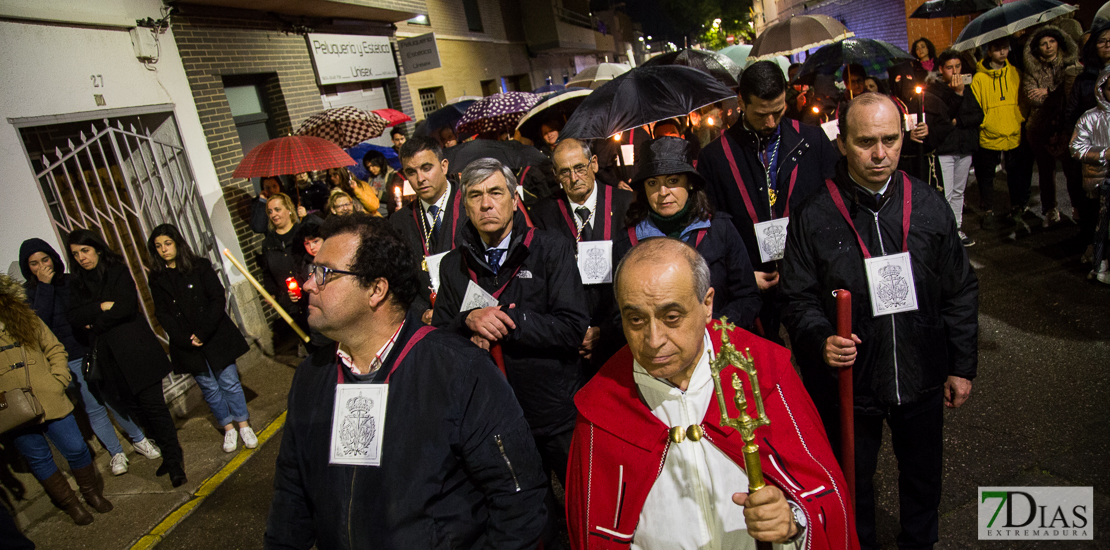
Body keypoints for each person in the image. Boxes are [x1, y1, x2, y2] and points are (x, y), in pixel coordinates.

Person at [264, 212, 547, 548]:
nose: (309, 284)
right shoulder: (311, 378)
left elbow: (519, 501)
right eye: (312, 271)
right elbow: (291, 498)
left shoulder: (460, 371)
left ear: (376, 289)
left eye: (325, 273)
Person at [565, 238, 859, 549]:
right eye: (635, 319)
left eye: (671, 317)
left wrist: (792, 523)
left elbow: (823, 498)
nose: (652, 340)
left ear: (707, 304)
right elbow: (593, 530)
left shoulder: (762, 372)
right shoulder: (603, 405)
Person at [781, 93, 979, 550]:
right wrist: (820, 338)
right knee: (854, 481)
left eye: (890, 140)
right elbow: (798, 297)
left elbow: (959, 289)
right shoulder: (815, 213)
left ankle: (919, 543)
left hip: (922, 372)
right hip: (852, 384)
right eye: (866, 141)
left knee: (923, 477)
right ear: (843, 143)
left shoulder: (927, 204)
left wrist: (961, 365)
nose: (879, 153)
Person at [431, 158, 588, 546]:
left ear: (514, 199)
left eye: (495, 192)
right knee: (527, 519)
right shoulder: (453, 266)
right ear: (464, 205)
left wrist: (510, 321)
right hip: (493, 417)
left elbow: (573, 328)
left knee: (581, 509)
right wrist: (467, 321)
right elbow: (437, 340)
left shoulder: (550, 249)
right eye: (476, 195)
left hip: (553, 409)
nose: (487, 204)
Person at [697, 60, 839, 341]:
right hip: (752, 284)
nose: (771, 122)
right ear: (741, 102)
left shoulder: (810, 139)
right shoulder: (715, 157)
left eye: (778, 111)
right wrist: (743, 275)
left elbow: (832, 206)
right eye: (762, 114)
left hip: (809, 280)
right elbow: (712, 231)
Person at [19, 238, 158, 476]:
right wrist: (44, 286)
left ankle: (139, 439)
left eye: (45, 259)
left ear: (54, 258)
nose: (41, 266)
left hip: (92, 348)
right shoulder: (29, 293)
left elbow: (88, 309)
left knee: (113, 398)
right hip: (67, 357)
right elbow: (37, 325)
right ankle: (116, 453)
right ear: (27, 267)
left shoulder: (72, 281)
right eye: (34, 263)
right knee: (93, 406)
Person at [66, 229, 187, 487]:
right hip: (111, 362)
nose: (81, 258)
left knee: (155, 409)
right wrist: (100, 307)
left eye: (85, 251)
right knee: (137, 412)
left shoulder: (117, 271)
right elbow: (75, 318)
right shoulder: (76, 283)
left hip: (137, 353)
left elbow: (124, 307)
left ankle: (175, 461)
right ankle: (167, 454)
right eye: (75, 254)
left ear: (97, 248)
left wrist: (95, 323)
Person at [1, 274, 114, 525]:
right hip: (13, 411)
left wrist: (58, 381)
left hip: (49, 396)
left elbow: (54, 348)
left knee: (76, 448)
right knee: (38, 459)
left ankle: (92, 494)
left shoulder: (23, 315)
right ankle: (71, 505)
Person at [617, 136, 761, 330]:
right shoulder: (628, 242)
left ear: (690, 183)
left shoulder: (719, 229)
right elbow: (618, 312)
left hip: (717, 343)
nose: (663, 192)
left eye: (673, 181)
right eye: (652, 183)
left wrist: (714, 328)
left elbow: (747, 296)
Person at [147, 224, 256, 453]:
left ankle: (243, 424)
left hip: (214, 333)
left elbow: (217, 297)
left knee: (229, 382)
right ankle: (228, 428)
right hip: (187, 342)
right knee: (209, 389)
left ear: (177, 242)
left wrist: (204, 332)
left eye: (167, 243)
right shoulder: (157, 278)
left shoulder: (199, 266)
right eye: (158, 246)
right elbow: (162, 313)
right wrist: (185, 338)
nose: (164, 250)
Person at [530, 139, 634, 371]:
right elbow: (544, 282)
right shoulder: (543, 213)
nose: (574, 178)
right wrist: (575, 330)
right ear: (555, 175)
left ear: (594, 164)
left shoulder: (626, 204)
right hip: (570, 341)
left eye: (579, 167)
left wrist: (605, 330)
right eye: (565, 172)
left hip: (619, 330)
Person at [390, 136, 469, 323]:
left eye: (427, 168)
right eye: (411, 172)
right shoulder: (399, 222)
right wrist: (421, 312)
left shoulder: (471, 204)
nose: (420, 179)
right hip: (430, 321)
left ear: (443, 166)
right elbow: (400, 278)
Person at [1022, 25, 1080, 227]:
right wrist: (1054, 94)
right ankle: (1050, 209)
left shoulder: (1070, 65)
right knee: (1046, 172)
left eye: (1052, 42)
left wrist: (1047, 91)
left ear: (1059, 42)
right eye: (1043, 43)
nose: (1048, 46)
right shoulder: (1033, 68)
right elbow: (1031, 97)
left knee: (1071, 170)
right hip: (1040, 125)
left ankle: (1077, 207)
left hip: (1066, 124)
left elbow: (1071, 94)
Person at [928, 50, 985, 246]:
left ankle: (957, 228)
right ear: (941, 69)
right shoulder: (936, 91)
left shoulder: (966, 89)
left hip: (964, 146)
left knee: (960, 191)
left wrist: (958, 120)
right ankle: (947, 231)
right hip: (946, 149)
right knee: (947, 192)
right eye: (950, 67)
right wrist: (957, 94)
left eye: (958, 66)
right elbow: (942, 118)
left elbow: (978, 115)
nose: (955, 71)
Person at [972, 38, 1028, 229]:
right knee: (986, 174)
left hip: (1013, 130)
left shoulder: (1014, 72)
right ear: (989, 52)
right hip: (989, 132)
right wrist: (985, 122)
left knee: (1015, 174)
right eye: (997, 49)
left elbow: (1022, 98)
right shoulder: (979, 78)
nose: (1002, 52)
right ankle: (988, 210)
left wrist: (1019, 116)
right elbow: (977, 105)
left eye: (1005, 48)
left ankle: (1016, 208)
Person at [1066, 22, 1110, 261]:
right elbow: (1071, 113)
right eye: (1102, 41)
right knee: (1091, 205)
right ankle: (1092, 245)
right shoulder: (1084, 79)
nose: (1107, 45)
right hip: (1093, 151)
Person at [1071, 67, 1110, 283]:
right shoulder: (1090, 117)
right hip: (1098, 184)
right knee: (1099, 227)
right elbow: (1076, 148)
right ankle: (1099, 265)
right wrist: (1104, 153)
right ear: (1102, 89)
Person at [260, 193, 311, 347]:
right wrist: (271, 293)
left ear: (289, 209)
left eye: (277, 209)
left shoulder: (302, 233)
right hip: (289, 303)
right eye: (270, 211)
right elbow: (267, 272)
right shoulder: (268, 243)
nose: (273, 214)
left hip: (310, 297)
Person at [361, 150, 403, 217]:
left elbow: (393, 198)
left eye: (373, 165)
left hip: (387, 214)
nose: (371, 169)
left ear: (380, 162)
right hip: (374, 215)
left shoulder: (392, 175)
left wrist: (377, 193)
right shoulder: (371, 178)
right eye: (368, 167)